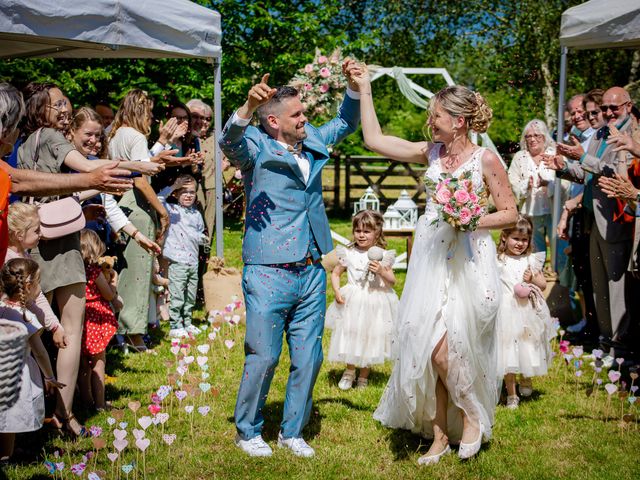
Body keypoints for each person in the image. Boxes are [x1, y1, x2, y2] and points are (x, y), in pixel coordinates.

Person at [351, 67, 517, 464]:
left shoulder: (486, 160)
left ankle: (473, 415)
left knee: (449, 352)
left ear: (458, 121)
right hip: (430, 261)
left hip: (468, 263)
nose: (431, 121)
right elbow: (374, 140)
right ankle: (440, 437)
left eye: (437, 115)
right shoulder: (430, 153)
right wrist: (365, 90)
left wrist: (472, 219)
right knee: (430, 350)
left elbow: (510, 212)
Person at [219, 61, 361, 458]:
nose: (305, 118)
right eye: (297, 114)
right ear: (273, 122)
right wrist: (246, 106)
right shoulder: (255, 148)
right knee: (263, 355)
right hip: (267, 267)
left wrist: (352, 88)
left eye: (304, 112)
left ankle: (292, 431)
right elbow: (228, 141)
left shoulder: (312, 138)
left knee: (309, 356)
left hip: (312, 266)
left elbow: (344, 123)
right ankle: (248, 431)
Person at [16, 83, 159, 437]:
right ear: (40, 109)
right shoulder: (51, 136)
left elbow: (60, 185)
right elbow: (90, 167)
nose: (66, 107)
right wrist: (138, 165)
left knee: (35, 333)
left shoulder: (24, 145)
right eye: (58, 102)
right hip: (61, 246)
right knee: (70, 329)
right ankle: (65, 416)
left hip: (33, 240)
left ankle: (30, 416)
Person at [544, 86, 638, 358]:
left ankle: (622, 348)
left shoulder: (632, 134)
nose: (608, 113)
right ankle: (606, 343)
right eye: (604, 108)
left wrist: (582, 158)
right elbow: (587, 174)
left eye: (613, 108)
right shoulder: (601, 133)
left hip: (617, 220)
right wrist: (561, 165)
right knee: (599, 288)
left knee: (616, 287)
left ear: (628, 107)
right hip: (592, 220)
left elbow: (618, 173)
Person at [108, 88, 184, 352]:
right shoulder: (136, 135)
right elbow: (140, 179)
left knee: (127, 271)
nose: (151, 118)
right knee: (139, 273)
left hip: (120, 204)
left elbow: (141, 161)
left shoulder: (116, 134)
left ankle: (123, 330)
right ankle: (134, 335)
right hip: (137, 205)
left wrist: (162, 145)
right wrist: (162, 212)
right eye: (149, 113)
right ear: (140, 111)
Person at [0, 258, 64, 460]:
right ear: (28, 286)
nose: (40, 286)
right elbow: (40, 352)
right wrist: (49, 376)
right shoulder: (25, 316)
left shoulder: (2, 309)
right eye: (38, 282)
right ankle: (5, 457)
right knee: (8, 422)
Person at [326, 210, 398, 390]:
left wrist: (381, 271)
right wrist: (336, 291)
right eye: (358, 230)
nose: (361, 235)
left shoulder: (382, 255)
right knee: (351, 333)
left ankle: (364, 376)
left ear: (377, 233)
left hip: (374, 300)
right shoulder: (348, 253)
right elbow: (335, 273)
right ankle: (349, 372)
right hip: (354, 300)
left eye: (366, 231)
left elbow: (392, 282)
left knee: (369, 336)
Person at [495, 215, 553, 409]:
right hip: (506, 311)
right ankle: (512, 394)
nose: (520, 244)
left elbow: (543, 284)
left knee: (528, 347)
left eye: (524, 239)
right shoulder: (499, 260)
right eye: (516, 239)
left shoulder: (530, 260)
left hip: (526, 312)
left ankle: (526, 378)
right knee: (508, 352)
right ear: (504, 237)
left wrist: (532, 279)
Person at [5, 202, 66, 349]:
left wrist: (54, 325)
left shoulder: (25, 257)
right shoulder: (8, 261)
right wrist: (53, 326)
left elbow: (37, 296)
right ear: (19, 234)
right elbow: (32, 300)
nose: (41, 234)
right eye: (36, 231)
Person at [157, 175, 208, 338]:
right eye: (184, 192)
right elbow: (158, 199)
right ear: (177, 194)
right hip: (177, 261)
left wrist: (202, 239)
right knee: (177, 294)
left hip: (193, 261)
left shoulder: (197, 214)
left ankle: (187, 322)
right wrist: (173, 185)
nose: (188, 195)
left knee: (190, 295)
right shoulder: (172, 210)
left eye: (192, 192)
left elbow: (197, 233)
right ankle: (175, 324)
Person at [77, 229, 118, 412]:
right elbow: (108, 295)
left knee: (83, 364)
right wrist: (114, 282)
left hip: (80, 319)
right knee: (99, 362)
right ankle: (100, 404)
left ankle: (86, 401)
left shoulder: (76, 270)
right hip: (95, 321)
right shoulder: (94, 272)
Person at [507, 120, 557, 258]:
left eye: (537, 135)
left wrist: (548, 184)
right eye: (528, 136)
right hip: (530, 213)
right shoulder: (520, 157)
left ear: (545, 137)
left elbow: (564, 183)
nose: (533, 139)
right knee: (533, 252)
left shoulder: (555, 154)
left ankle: (562, 279)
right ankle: (535, 278)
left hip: (553, 212)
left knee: (559, 250)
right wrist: (526, 185)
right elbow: (512, 182)